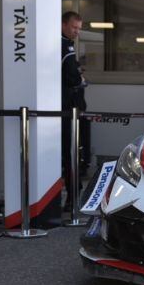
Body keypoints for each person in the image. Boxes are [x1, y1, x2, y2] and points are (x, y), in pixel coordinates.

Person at [61, 11, 89, 203]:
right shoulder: (64, 46)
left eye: (79, 28)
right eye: (74, 27)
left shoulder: (66, 44)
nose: (77, 31)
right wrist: (81, 79)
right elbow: (73, 76)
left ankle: (73, 192)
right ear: (63, 25)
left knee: (69, 152)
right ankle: (72, 195)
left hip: (64, 107)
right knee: (69, 152)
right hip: (65, 108)